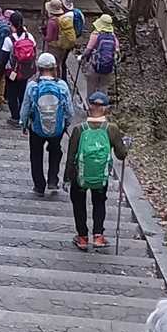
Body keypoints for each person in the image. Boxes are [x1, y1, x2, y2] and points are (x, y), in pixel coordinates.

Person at [65, 90, 127, 251]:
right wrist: (126, 146)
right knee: (99, 202)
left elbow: (71, 156)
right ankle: (98, 236)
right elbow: (121, 155)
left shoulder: (79, 129)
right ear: (106, 108)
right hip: (100, 174)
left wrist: (67, 178)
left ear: (89, 106)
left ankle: (82, 237)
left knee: (79, 203)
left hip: (80, 175)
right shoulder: (111, 129)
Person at [20, 51, 73, 195]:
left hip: (36, 127)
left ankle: (39, 185)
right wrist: (66, 123)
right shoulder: (62, 86)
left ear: (39, 68)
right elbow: (69, 110)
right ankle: (53, 179)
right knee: (56, 151)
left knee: (36, 154)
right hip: (57, 127)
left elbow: (26, 107)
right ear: (54, 67)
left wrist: (23, 123)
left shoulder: (33, 86)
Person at [5, 11, 38, 125]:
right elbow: (34, 52)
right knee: (22, 93)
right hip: (25, 70)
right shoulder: (30, 37)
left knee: (11, 95)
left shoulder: (9, 39)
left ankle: (15, 117)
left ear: (11, 23)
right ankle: (22, 116)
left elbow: (4, 56)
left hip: (12, 71)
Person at [80, 12, 118, 94]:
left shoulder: (95, 35)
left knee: (91, 86)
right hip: (108, 67)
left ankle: (90, 101)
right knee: (103, 87)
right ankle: (102, 101)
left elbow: (88, 50)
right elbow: (117, 52)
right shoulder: (113, 37)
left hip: (94, 66)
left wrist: (82, 57)